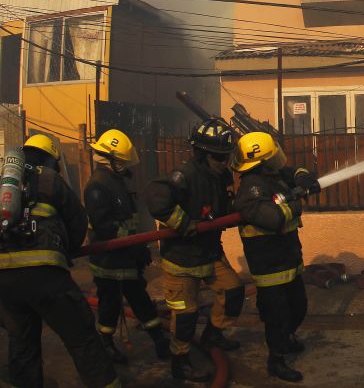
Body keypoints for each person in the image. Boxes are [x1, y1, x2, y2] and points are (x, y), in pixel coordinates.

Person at [0, 134, 120, 387]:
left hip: (5, 283)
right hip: (47, 279)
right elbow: (77, 223)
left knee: (22, 346)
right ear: (50, 157)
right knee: (82, 339)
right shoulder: (49, 178)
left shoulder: (4, 183)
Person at [143, 119, 244, 382]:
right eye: (219, 157)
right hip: (181, 260)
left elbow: (222, 207)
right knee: (185, 316)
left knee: (233, 290)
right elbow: (156, 199)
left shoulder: (220, 175)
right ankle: (181, 361)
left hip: (210, 252)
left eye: (226, 156)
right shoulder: (184, 175)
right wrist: (183, 223)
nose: (224, 161)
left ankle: (213, 333)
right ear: (202, 154)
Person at [230, 131, 320, 383]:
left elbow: (295, 171)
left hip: (289, 260)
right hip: (269, 266)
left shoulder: (274, 176)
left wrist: (304, 179)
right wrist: (295, 203)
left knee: (298, 307)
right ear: (262, 161)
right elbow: (272, 218)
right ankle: (276, 360)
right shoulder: (250, 189)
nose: (277, 160)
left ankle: (287, 338)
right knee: (277, 315)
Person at [85, 129, 169, 362]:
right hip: (109, 260)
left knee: (140, 299)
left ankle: (160, 341)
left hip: (126, 255)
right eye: (121, 161)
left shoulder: (114, 181)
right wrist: (135, 247)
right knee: (110, 306)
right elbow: (105, 227)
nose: (125, 166)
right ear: (110, 159)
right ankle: (106, 344)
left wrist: (136, 248)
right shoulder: (97, 186)